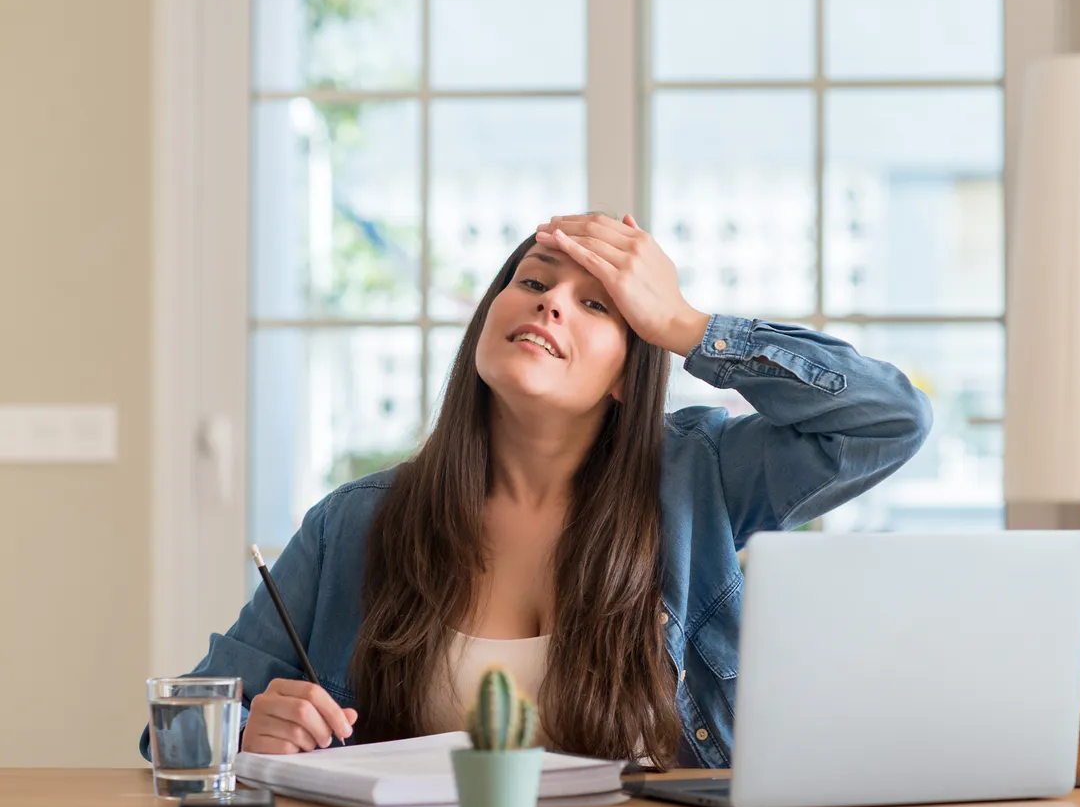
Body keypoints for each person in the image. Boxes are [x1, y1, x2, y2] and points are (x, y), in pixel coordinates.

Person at [139, 213, 932, 770]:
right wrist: (249, 735)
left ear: (629, 372)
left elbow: (890, 421)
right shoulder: (356, 521)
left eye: (597, 304)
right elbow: (173, 736)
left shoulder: (702, 477)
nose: (550, 301)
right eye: (531, 281)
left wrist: (689, 325)